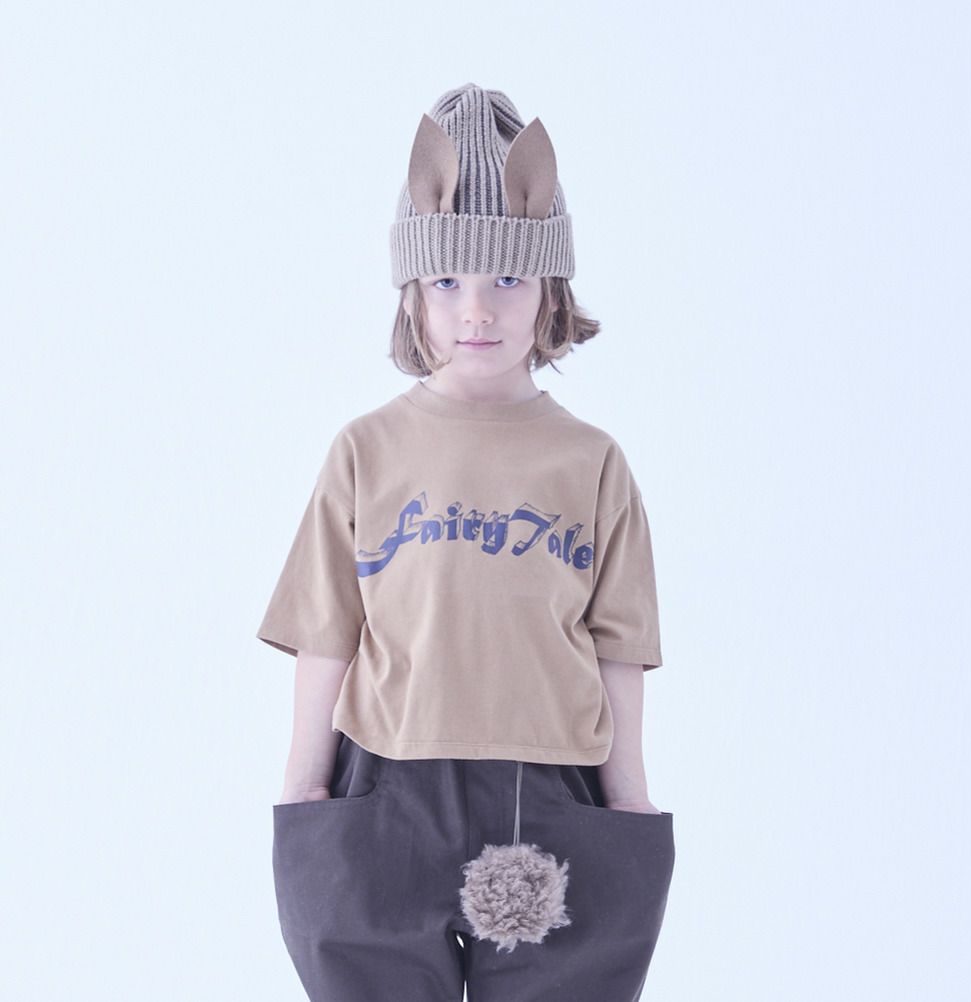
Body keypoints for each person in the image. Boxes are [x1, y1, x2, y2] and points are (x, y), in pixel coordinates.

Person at [257, 82, 675, 1002]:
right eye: (448, 282)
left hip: (553, 794)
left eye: (506, 280)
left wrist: (629, 800)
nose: (476, 310)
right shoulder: (366, 450)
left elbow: (619, 648)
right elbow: (327, 630)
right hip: (385, 786)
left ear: (550, 288)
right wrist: (303, 785)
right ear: (413, 293)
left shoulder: (592, 463)